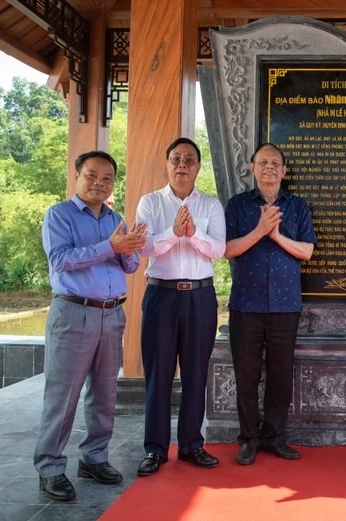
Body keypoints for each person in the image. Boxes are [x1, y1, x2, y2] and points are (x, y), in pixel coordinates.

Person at [35, 150, 147, 501]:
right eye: (92, 176)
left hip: (111, 314)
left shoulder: (115, 218)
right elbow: (61, 260)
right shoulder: (60, 215)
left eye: (107, 178)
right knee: (63, 394)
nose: (99, 183)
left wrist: (131, 247)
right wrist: (108, 246)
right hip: (74, 313)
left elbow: (129, 267)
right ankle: (51, 467)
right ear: (77, 176)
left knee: (104, 393)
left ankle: (94, 457)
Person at [135, 137, 226, 476]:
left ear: (199, 166)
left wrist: (193, 235)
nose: (182, 164)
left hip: (200, 297)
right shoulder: (151, 202)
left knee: (195, 374)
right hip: (161, 295)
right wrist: (173, 234)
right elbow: (143, 248)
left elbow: (218, 250)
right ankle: (155, 450)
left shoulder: (211, 205)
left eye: (189, 159)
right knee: (158, 375)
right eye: (176, 159)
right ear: (167, 164)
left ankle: (191, 445)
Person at [224, 142, 316, 466]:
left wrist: (276, 236)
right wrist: (260, 230)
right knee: (246, 376)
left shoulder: (297, 207)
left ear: (284, 170)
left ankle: (275, 437)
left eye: (275, 163)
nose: (269, 168)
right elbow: (227, 249)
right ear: (252, 168)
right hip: (246, 306)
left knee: (280, 376)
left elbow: (306, 251)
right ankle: (249, 439)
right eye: (263, 162)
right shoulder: (237, 206)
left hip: (285, 306)